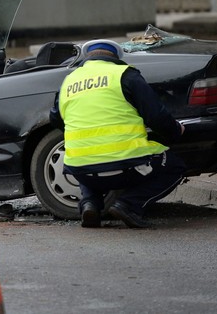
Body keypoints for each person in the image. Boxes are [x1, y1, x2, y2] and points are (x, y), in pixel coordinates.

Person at [49, 39, 186, 228]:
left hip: (80, 171)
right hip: (125, 167)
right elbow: (156, 116)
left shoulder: (68, 81)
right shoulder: (125, 75)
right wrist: (175, 131)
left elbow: (56, 119)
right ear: (115, 58)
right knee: (175, 166)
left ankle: (90, 204)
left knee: (87, 156)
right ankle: (129, 205)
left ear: (88, 58)